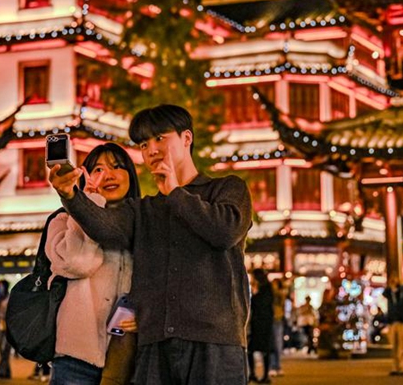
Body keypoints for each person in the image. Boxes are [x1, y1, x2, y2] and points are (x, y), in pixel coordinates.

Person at [50, 105, 253, 384]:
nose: (152, 150)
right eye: (144, 144)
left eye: (160, 138)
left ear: (186, 138)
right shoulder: (144, 210)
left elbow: (224, 232)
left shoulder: (227, 189)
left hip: (214, 344)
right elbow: (104, 226)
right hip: (155, 347)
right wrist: (70, 194)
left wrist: (176, 194)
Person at [45, 143, 139, 385]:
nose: (108, 175)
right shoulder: (62, 221)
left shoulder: (144, 224)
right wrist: (89, 203)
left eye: (117, 167)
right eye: (98, 169)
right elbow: (79, 263)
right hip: (77, 358)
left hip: (127, 355)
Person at [383, 277, 403, 376]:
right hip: (393, 322)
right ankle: (395, 367)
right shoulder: (389, 294)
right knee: (394, 347)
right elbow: (385, 293)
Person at [248, 269, 274, 384]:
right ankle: (254, 374)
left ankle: (264, 375)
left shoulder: (266, 289)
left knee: (262, 349)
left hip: (263, 324)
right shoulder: (264, 288)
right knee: (253, 349)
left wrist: (254, 296)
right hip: (260, 323)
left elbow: (257, 303)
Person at [0, 280, 11, 380]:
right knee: (1, 349)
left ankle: (0, 369)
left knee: (5, 349)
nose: (0, 288)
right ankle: (7, 372)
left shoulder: (10, 298)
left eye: (2, 286)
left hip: (8, 325)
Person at [269, 278, 287, 378]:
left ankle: (278, 366)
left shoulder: (280, 294)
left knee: (277, 344)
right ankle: (272, 367)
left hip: (278, 319)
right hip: (271, 319)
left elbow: (281, 300)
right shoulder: (269, 294)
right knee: (272, 344)